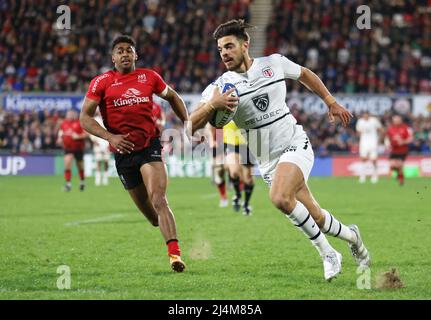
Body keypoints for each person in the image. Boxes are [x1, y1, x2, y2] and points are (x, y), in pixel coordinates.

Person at [190, 20, 370, 281]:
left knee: (279, 198)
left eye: (229, 46)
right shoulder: (220, 87)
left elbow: (305, 74)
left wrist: (330, 101)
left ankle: (328, 253)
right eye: (220, 50)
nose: (224, 53)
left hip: (295, 143)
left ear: (245, 44)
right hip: (267, 160)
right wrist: (211, 106)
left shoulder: (273, 63)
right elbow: (189, 125)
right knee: (316, 217)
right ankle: (354, 238)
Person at [80, 35, 189, 272]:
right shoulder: (101, 82)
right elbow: (84, 118)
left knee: (159, 200)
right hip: (122, 154)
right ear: (113, 57)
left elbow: (173, 96)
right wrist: (111, 137)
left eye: (129, 50)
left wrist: (189, 123)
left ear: (136, 55)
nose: (125, 54)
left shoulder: (149, 77)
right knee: (152, 217)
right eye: (120, 51)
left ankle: (175, 256)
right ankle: (164, 232)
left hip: (149, 146)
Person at [223, 120, 255, 215]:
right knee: (234, 172)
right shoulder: (224, 108)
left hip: (246, 144)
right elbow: (215, 124)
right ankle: (238, 194)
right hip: (230, 143)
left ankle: (246, 203)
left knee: (248, 178)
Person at [57, 109, 87, 192]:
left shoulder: (80, 123)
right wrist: (59, 138)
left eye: (71, 114)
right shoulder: (64, 123)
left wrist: (78, 136)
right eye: (68, 114)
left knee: (80, 166)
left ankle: (82, 182)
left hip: (78, 148)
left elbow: (86, 134)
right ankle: (68, 184)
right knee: (67, 163)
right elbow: (61, 132)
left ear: (75, 114)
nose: (70, 115)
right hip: (68, 148)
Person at [355, 111, 383, 184]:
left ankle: (375, 176)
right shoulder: (360, 121)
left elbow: (381, 129)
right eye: (364, 115)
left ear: (369, 115)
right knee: (363, 159)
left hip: (373, 142)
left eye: (366, 115)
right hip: (364, 143)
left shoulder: (374, 120)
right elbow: (358, 132)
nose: (365, 116)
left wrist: (379, 140)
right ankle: (362, 176)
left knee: (373, 159)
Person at [386, 114, 413, 186]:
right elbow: (387, 138)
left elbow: (411, 139)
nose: (396, 121)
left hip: (403, 150)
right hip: (394, 150)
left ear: (400, 120)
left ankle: (401, 180)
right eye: (395, 120)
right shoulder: (390, 128)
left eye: (397, 119)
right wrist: (388, 144)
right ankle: (399, 175)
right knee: (392, 165)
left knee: (400, 165)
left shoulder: (406, 128)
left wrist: (403, 142)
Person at [89, 110, 110, 186]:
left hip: (106, 143)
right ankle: (97, 179)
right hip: (97, 143)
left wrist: (109, 142)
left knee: (106, 161)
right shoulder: (95, 120)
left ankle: (105, 178)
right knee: (98, 161)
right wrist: (94, 140)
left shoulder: (107, 119)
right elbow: (91, 131)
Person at [210, 125, 229, 207]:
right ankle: (223, 197)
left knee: (232, 170)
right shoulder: (213, 122)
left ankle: (238, 195)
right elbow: (210, 131)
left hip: (230, 144)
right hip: (218, 147)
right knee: (218, 175)